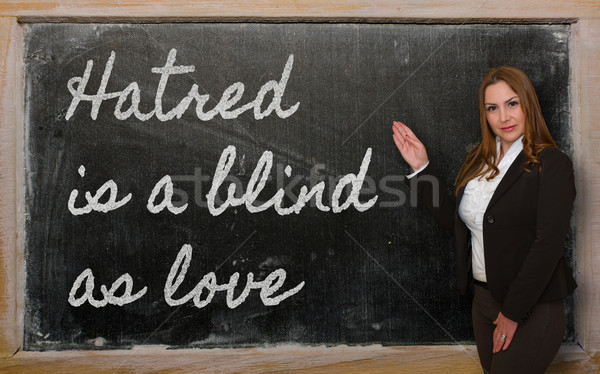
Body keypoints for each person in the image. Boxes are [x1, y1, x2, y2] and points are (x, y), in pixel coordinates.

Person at [392, 65, 576, 374]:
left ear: (528, 104)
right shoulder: (479, 162)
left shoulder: (552, 164)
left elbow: (548, 245)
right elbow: (458, 223)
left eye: (512, 104)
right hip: (483, 302)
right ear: (485, 114)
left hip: (531, 306)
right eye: (493, 108)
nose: (503, 117)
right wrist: (422, 169)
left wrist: (513, 313)